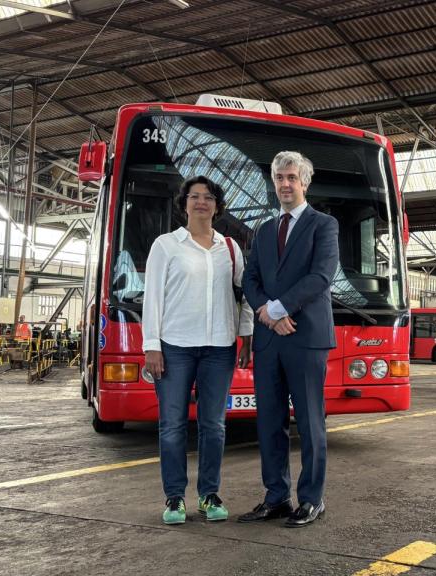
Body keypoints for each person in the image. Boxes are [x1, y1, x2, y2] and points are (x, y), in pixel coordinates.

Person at [142, 175, 254, 525]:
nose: (201, 202)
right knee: (173, 426)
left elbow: (246, 295)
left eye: (208, 197)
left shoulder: (230, 249)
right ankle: (175, 498)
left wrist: (246, 335)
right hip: (174, 347)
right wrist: (151, 346)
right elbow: (153, 298)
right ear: (184, 204)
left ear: (217, 206)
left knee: (214, 426)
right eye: (195, 196)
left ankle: (209, 494)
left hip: (219, 348)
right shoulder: (166, 245)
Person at [239, 151, 338, 528]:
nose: (284, 184)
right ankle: (276, 496)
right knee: (269, 422)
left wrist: (278, 310)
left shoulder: (323, 225)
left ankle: (311, 498)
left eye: (291, 177)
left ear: (305, 182)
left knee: (311, 423)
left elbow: (322, 276)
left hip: (305, 337)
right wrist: (267, 310)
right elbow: (250, 280)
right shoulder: (264, 230)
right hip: (270, 339)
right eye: (279, 177)